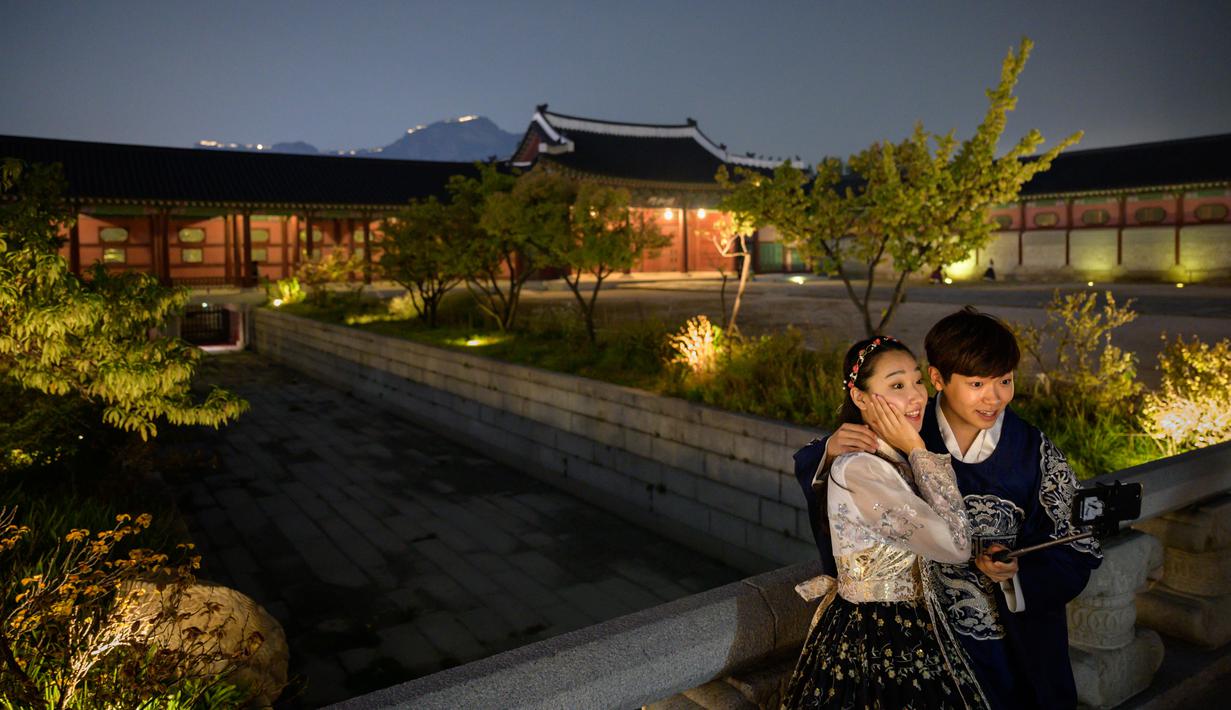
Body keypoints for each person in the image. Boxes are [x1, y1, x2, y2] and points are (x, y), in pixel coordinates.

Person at [782, 336, 988, 710]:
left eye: (917, 381)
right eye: (896, 385)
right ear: (860, 398)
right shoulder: (861, 467)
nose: (916, 396)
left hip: (916, 623)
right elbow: (956, 545)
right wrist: (918, 449)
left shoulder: (894, 458)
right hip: (878, 633)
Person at [917, 307, 1101, 709]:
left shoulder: (1033, 451)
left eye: (1005, 380)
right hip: (923, 643)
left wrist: (1018, 573)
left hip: (1012, 648)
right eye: (977, 383)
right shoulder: (907, 434)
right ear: (937, 378)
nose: (995, 397)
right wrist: (831, 452)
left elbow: (1080, 543)